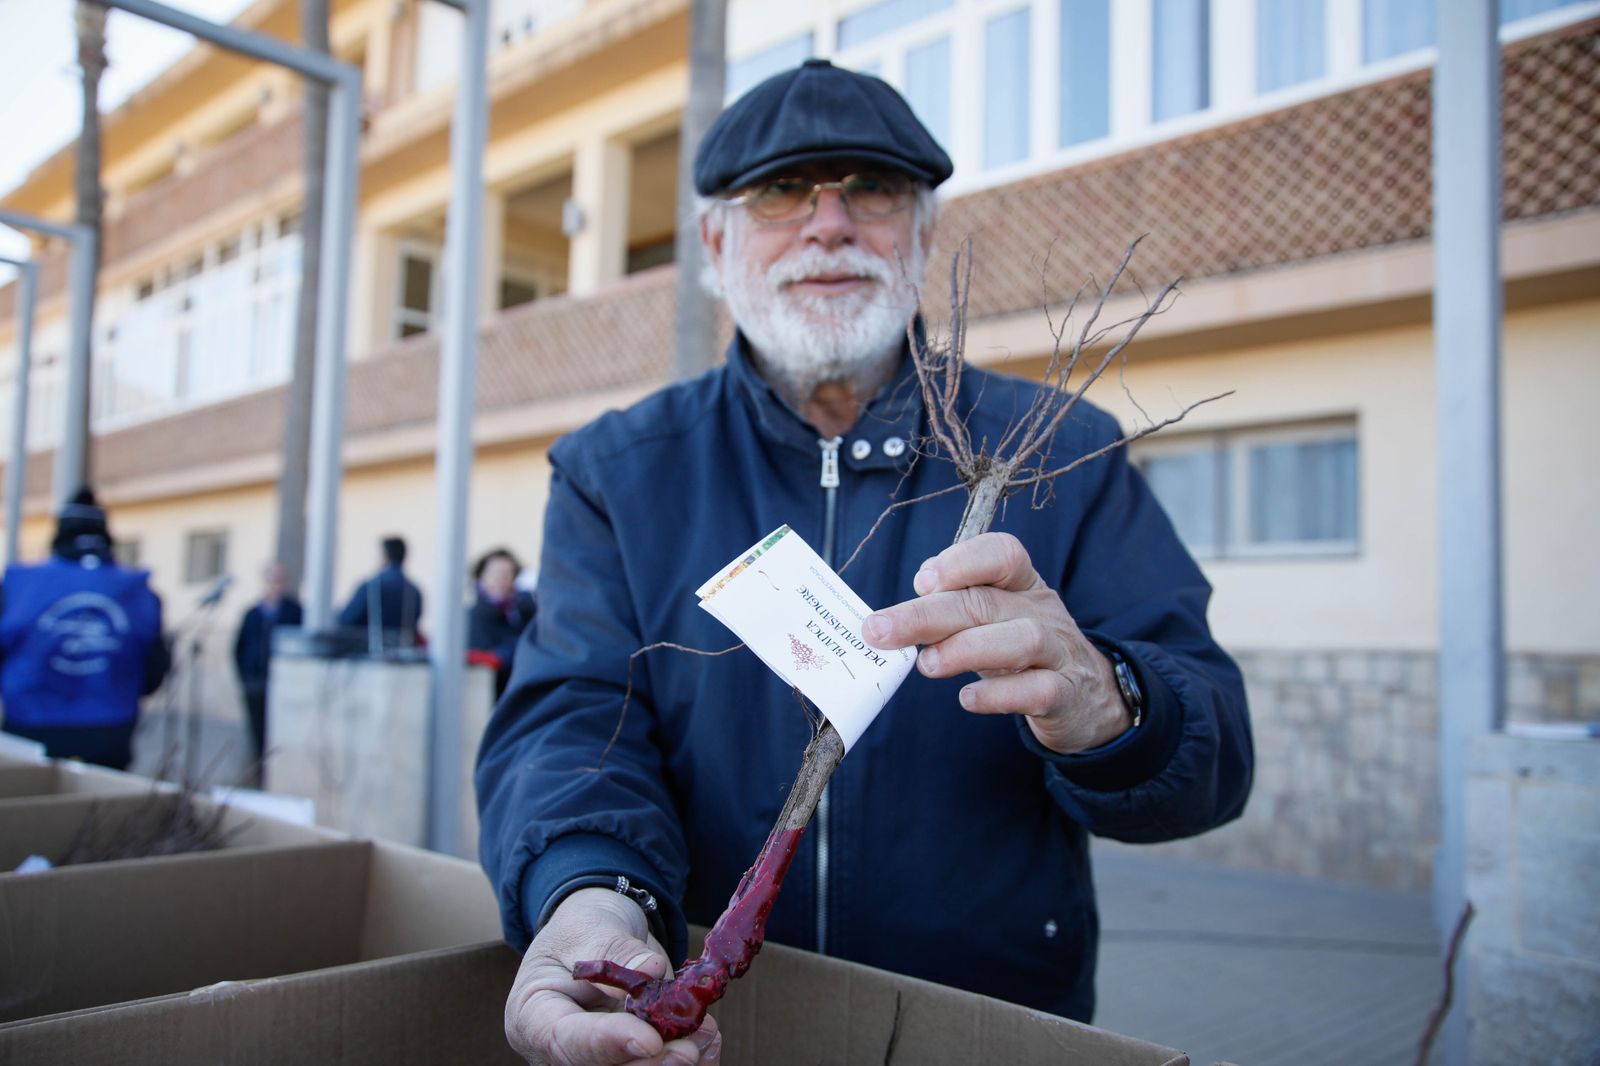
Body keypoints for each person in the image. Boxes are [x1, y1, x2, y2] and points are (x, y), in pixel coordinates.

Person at [476, 59, 1253, 1066]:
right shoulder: (618, 474)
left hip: (984, 1031)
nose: (830, 224)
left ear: (923, 235)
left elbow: (1211, 753)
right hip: (713, 1033)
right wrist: (593, 895)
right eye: (780, 192)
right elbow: (572, 721)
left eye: (872, 189)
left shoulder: (1062, 450)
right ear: (714, 242)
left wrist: (1109, 701)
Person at [0, 488, 170, 770]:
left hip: (30, 724)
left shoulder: (19, 584)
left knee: (28, 796)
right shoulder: (138, 591)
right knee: (100, 797)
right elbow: (153, 671)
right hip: (109, 729)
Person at [232, 560, 303, 769]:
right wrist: (245, 677)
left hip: (283, 684)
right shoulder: (252, 613)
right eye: (273, 580)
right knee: (257, 731)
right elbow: (239, 648)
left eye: (280, 580)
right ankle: (258, 771)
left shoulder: (295, 612)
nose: (276, 585)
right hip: (255, 682)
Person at [466, 548, 536, 699]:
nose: (502, 579)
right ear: (482, 576)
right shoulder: (475, 615)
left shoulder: (525, 609)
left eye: (508, 573)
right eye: (496, 573)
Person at [337, 535, 423, 648]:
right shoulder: (414, 591)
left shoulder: (372, 586)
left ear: (384, 556)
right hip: (400, 652)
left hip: (370, 651)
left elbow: (346, 620)